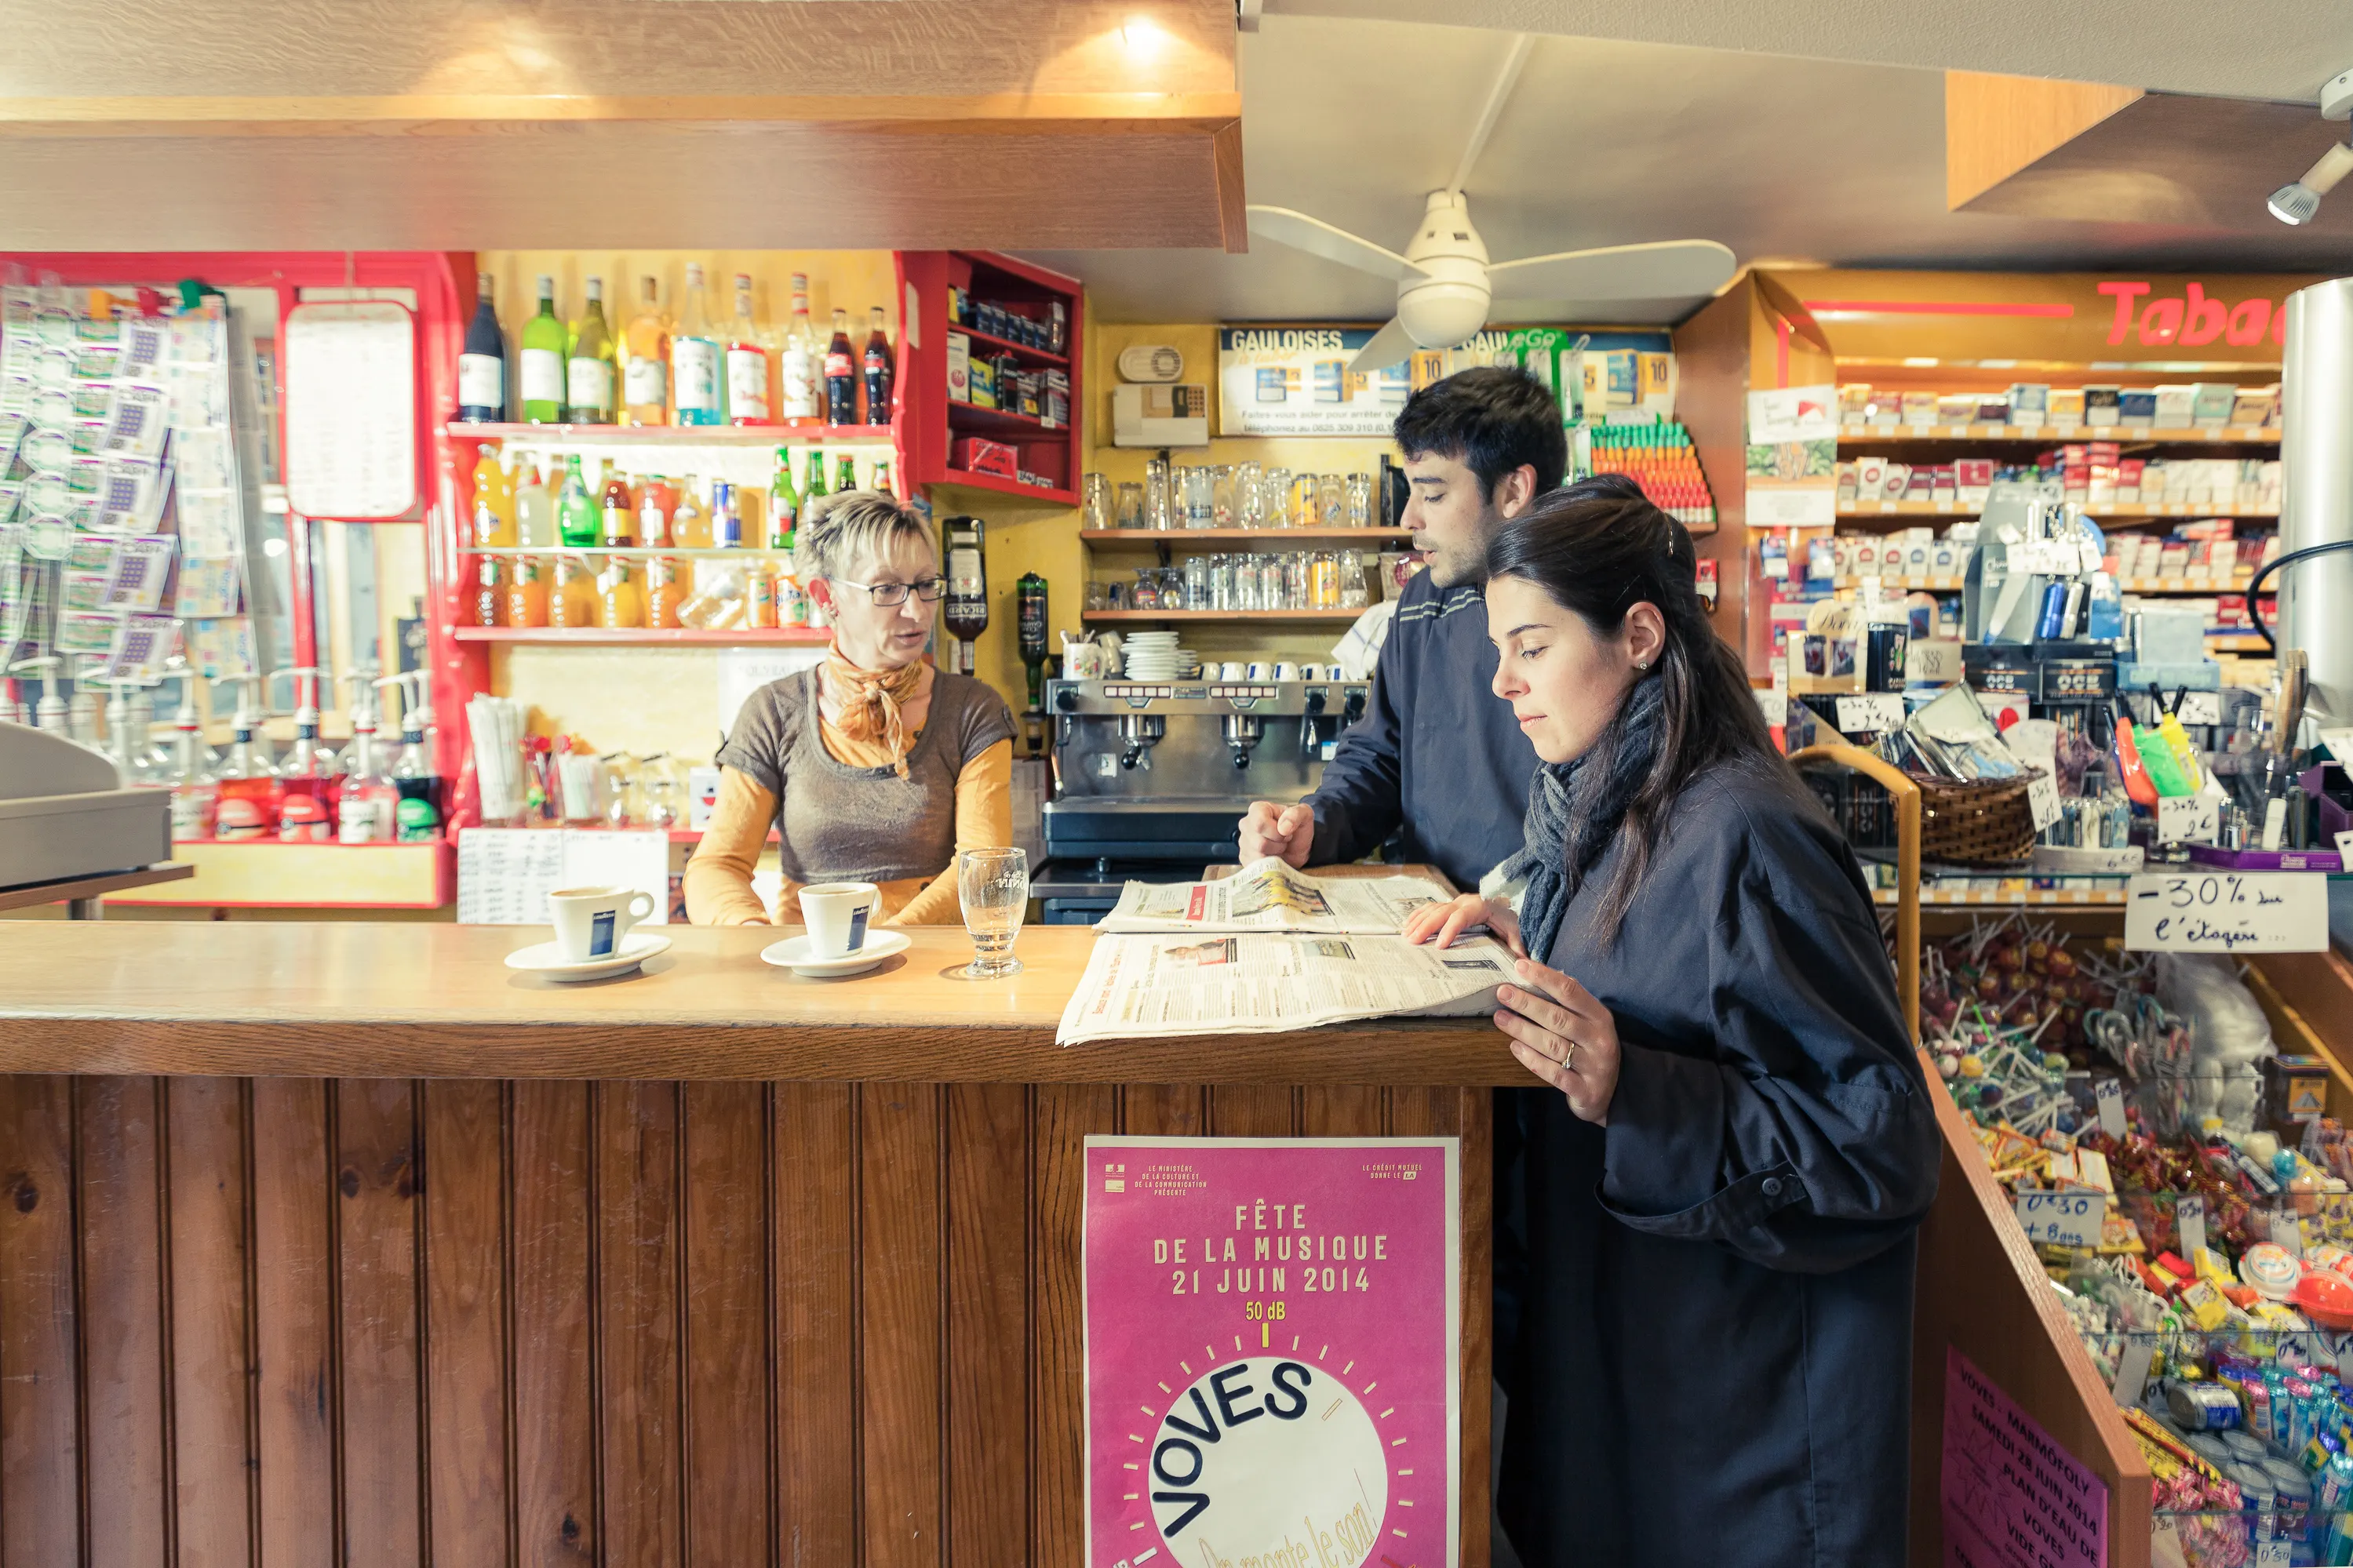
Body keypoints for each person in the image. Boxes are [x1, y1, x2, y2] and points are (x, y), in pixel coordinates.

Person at [1403, 488, 1941, 1566]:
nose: (1501, 681)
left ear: (1638, 635)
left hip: (1740, 1450)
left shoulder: (1746, 831)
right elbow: (1663, 974)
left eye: (1531, 645)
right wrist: (1529, 928)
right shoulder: (1605, 805)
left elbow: (1879, 1146)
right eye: (1499, 647)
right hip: (1630, 1393)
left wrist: (1631, 1083)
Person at [1239, 367, 1636, 894]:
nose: (1408, 517)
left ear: (1513, 489)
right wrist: (1316, 827)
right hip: (1438, 924)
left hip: (1560, 931)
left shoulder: (1596, 607)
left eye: (1432, 494)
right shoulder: (1420, 602)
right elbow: (1380, 754)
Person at [684, 491, 1015, 926]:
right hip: (806, 966)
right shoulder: (773, 712)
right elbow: (717, 866)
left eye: (926, 584)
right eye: (888, 588)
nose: (916, 610)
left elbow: (984, 866)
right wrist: (748, 931)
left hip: (928, 970)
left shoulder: (972, 711)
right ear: (827, 596)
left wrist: (887, 948)